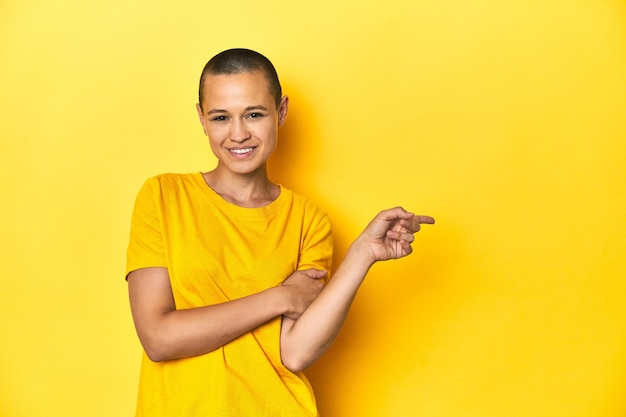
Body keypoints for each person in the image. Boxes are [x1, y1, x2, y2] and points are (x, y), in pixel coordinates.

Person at [126, 48, 434, 417]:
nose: (238, 134)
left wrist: (362, 254)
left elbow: (296, 351)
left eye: (254, 114)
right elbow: (159, 339)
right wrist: (280, 298)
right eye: (221, 117)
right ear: (202, 119)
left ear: (281, 112)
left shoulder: (309, 220)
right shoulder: (162, 197)